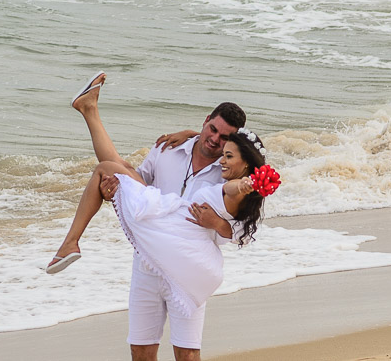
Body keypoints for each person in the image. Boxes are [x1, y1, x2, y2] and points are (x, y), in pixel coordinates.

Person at [46, 72, 258, 361]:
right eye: (211, 129)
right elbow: (137, 184)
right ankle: (89, 109)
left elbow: (241, 231)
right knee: (141, 351)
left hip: (187, 265)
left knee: (187, 354)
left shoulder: (229, 171)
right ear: (205, 119)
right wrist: (111, 192)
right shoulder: (166, 148)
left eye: (223, 138)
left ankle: (89, 111)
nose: (214, 140)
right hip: (147, 261)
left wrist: (217, 223)